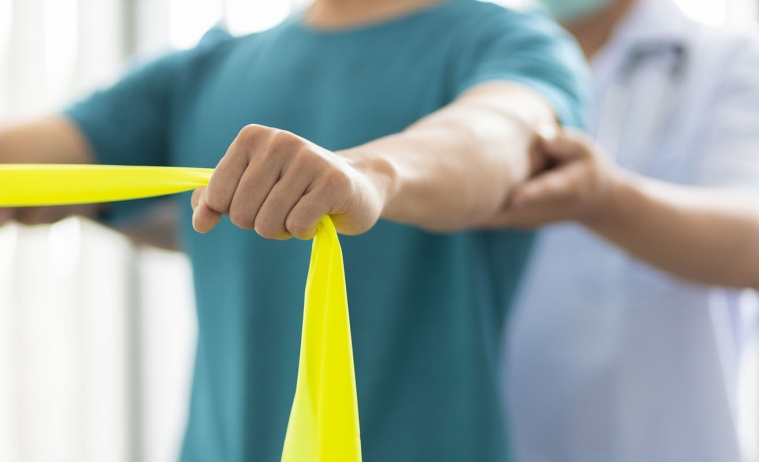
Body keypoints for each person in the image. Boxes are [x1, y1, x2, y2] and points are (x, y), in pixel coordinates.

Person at [0, 0, 589, 460]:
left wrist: (368, 174)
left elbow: (503, 135)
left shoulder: (510, 43)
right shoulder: (201, 70)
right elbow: (26, 159)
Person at [501, 0, 759, 460]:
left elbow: (752, 245)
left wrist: (606, 201)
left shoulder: (727, 58)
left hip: (671, 441)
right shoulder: (493, 58)